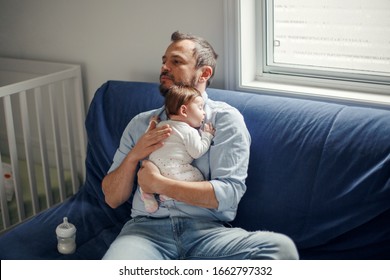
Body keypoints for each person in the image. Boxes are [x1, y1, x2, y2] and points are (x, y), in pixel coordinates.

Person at [102, 31, 299, 260]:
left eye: (176, 61)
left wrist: (159, 184)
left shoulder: (224, 120)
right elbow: (112, 198)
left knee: (280, 249)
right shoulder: (141, 124)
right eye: (164, 61)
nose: (165, 67)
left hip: (207, 233)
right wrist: (134, 156)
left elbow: (228, 194)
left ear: (204, 73)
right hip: (145, 233)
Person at [141, 85, 215, 213]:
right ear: (184, 111)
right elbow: (197, 152)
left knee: (145, 174)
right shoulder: (188, 131)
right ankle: (168, 195)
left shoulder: (162, 125)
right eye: (200, 107)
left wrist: (152, 123)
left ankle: (147, 193)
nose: (204, 112)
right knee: (198, 179)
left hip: (154, 168)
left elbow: (147, 138)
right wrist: (207, 136)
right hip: (174, 171)